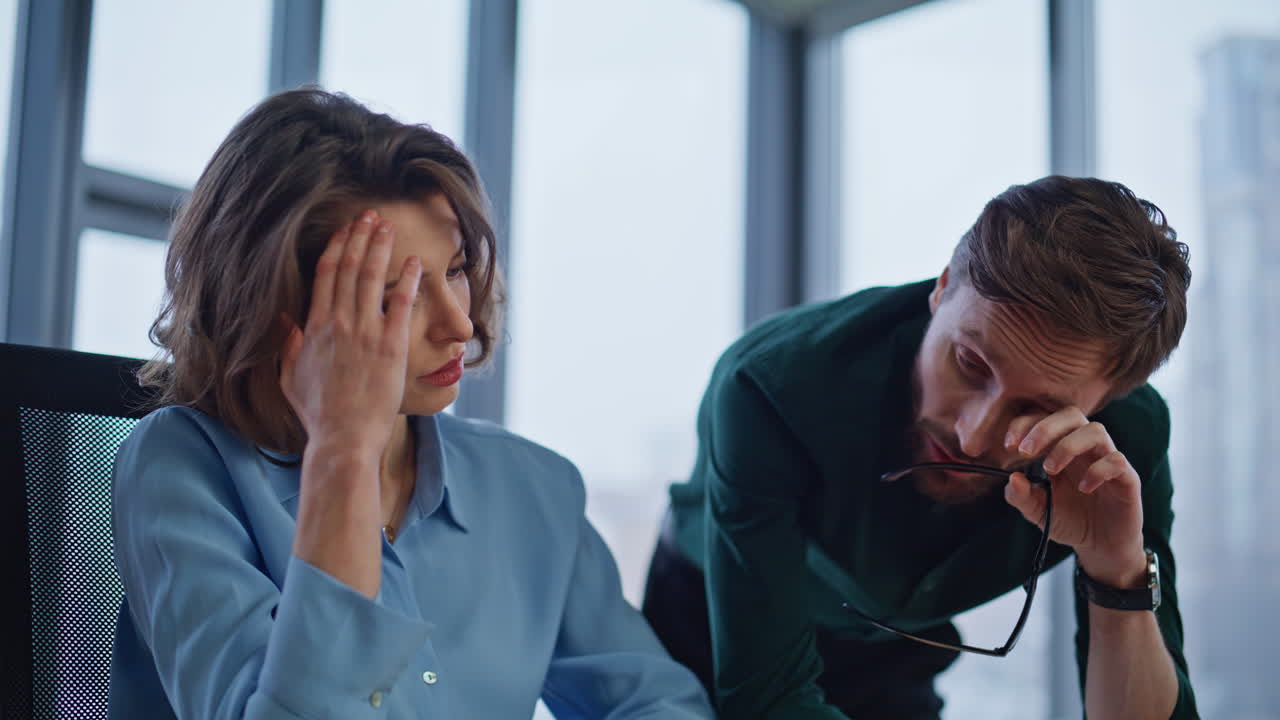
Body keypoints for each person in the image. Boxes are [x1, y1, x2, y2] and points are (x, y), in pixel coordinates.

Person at [107, 88, 713, 720]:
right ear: (277, 314)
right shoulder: (181, 467)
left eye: (453, 271)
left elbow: (659, 703)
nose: (461, 323)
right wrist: (344, 452)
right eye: (399, 295)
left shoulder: (533, 488)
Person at [642, 176, 1199, 719]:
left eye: (1040, 409)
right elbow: (766, 701)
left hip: (897, 646)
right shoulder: (770, 382)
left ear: (1105, 403)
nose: (972, 437)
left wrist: (1116, 573)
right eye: (970, 364)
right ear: (942, 288)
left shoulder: (1123, 447)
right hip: (710, 618)